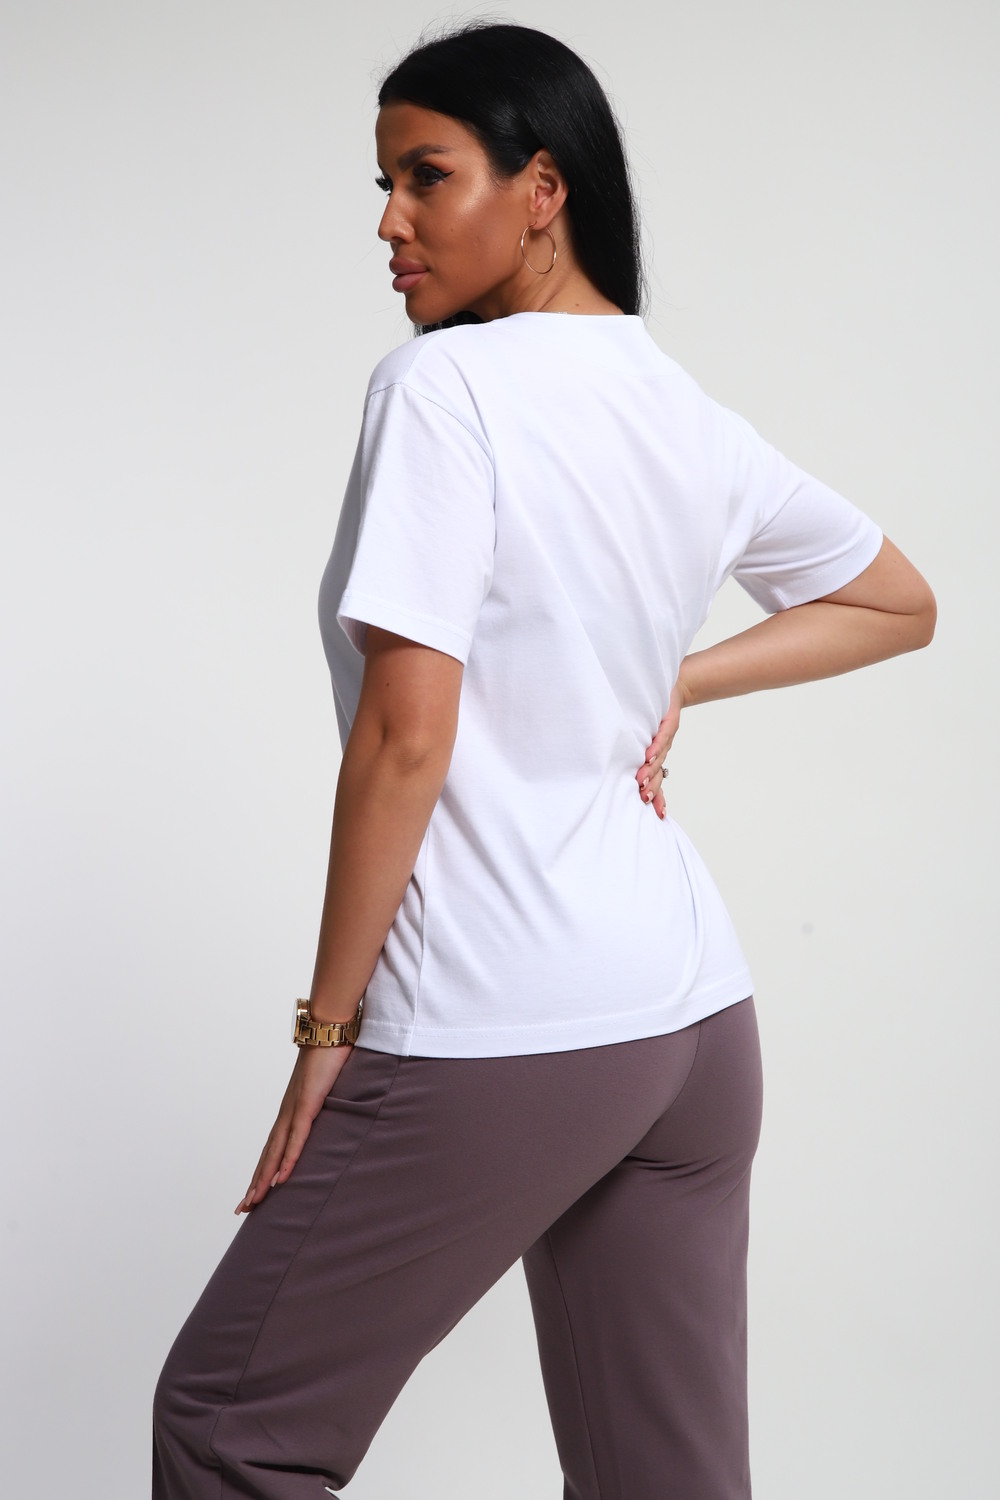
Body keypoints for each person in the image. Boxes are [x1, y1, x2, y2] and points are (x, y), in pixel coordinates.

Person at [151, 20, 936, 1500]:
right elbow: (900, 600)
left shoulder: (443, 390)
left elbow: (406, 735)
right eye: (384, 185)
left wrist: (327, 1035)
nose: (389, 223)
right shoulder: (681, 410)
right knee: (665, 1478)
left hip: (504, 1013)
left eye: (426, 176)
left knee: (229, 1428)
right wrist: (665, 679)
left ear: (542, 188)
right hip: (693, 1023)